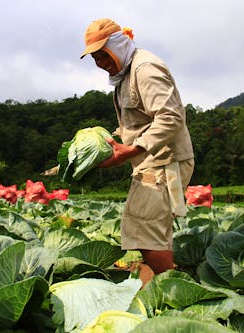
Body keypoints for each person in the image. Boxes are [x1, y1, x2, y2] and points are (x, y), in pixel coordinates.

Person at [80, 18, 195, 280]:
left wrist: (130, 151)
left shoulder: (145, 68)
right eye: (95, 57)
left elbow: (170, 118)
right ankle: (162, 281)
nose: (100, 62)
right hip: (153, 160)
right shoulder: (126, 75)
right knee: (149, 227)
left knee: (143, 229)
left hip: (165, 160)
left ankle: (176, 289)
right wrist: (109, 143)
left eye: (103, 54)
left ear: (118, 44)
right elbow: (137, 123)